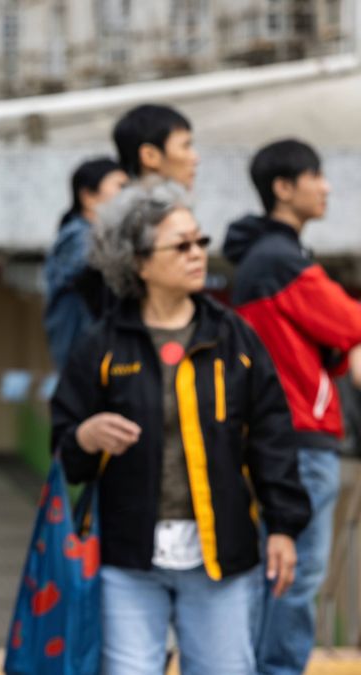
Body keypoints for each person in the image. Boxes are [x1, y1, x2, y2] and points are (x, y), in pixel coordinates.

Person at [50, 178, 310, 674]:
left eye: (200, 242)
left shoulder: (235, 338)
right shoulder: (101, 345)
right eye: (181, 245)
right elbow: (67, 447)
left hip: (222, 557)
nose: (198, 254)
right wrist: (84, 436)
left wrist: (283, 527)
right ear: (139, 262)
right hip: (126, 557)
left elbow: (272, 438)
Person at [222, 139, 358, 674]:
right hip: (300, 439)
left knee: (275, 572)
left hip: (278, 435)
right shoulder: (282, 260)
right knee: (294, 577)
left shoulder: (267, 257)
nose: (326, 186)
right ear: (284, 187)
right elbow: (351, 323)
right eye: (315, 175)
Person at [44, 157, 127, 366]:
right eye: (121, 187)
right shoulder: (78, 236)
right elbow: (92, 261)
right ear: (88, 197)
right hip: (83, 361)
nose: (129, 196)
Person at [112, 104, 199, 190]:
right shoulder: (160, 202)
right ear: (150, 155)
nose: (196, 158)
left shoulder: (120, 201)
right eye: (185, 146)